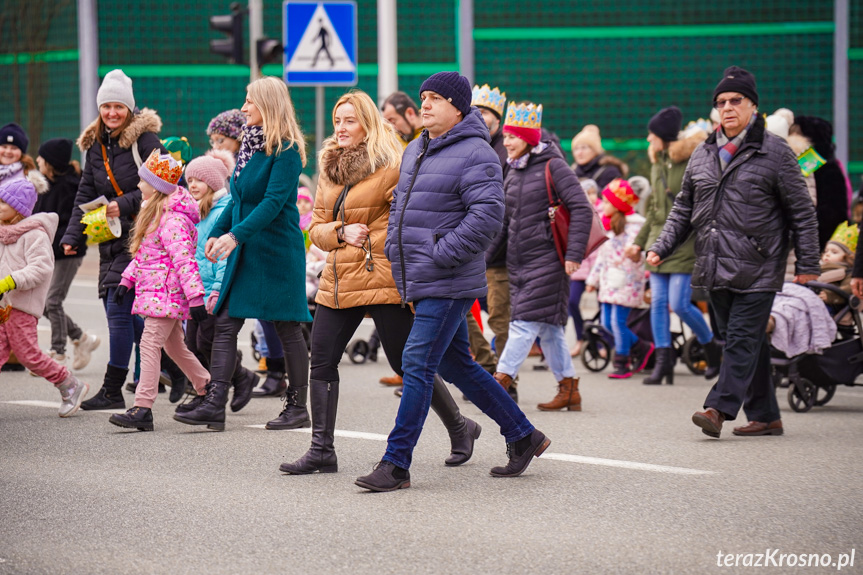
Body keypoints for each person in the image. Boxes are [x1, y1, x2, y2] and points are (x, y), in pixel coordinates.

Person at [355, 72, 550, 492]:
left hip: (447, 279)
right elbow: (402, 209)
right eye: (423, 97)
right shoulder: (415, 150)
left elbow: (487, 218)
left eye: (435, 98)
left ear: (458, 107)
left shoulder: (476, 152)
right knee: (456, 363)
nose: (424, 105)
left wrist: (440, 254)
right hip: (422, 276)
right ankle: (523, 435)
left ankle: (396, 463)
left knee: (416, 363)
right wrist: (393, 246)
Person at [279, 90, 480, 475]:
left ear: (367, 123)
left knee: (406, 363)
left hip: (382, 274)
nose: (341, 128)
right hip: (338, 278)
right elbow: (316, 228)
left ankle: (460, 427)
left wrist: (369, 237)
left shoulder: (393, 164)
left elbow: (407, 219)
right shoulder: (329, 167)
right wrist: (340, 233)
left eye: (350, 120)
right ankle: (322, 450)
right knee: (321, 359)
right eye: (338, 120)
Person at [647, 66, 820, 438]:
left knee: (741, 338)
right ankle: (766, 416)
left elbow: (802, 212)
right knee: (748, 342)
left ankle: (718, 409)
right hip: (713, 263)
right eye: (721, 102)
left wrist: (809, 265)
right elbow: (682, 209)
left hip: (760, 264)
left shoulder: (776, 153)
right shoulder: (704, 153)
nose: (727, 108)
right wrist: (660, 247)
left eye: (735, 101)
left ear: (753, 106)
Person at [174, 76, 312, 432]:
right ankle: (215, 402)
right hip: (246, 247)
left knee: (287, 327)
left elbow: (272, 203)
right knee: (225, 321)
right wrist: (218, 232)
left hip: (277, 252)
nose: (244, 107)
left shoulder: (287, 150)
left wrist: (233, 236)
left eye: (250, 101)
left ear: (267, 105)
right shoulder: (248, 148)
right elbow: (236, 199)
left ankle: (297, 407)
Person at [61, 69, 166, 411]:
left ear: (129, 109)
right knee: (131, 312)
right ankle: (170, 368)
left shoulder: (146, 141)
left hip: (142, 236)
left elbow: (165, 185)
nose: (111, 113)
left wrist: (124, 203)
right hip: (109, 237)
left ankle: (112, 389)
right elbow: (85, 192)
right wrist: (73, 236)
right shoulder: (95, 145)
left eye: (118, 106)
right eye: (106, 106)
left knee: (117, 307)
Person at [490, 100, 593, 411]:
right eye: (505, 136)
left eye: (512, 136)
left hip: (548, 261)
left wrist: (574, 254)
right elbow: (506, 222)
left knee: (522, 323)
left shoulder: (553, 165)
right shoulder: (513, 169)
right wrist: (485, 258)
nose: (505, 142)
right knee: (549, 330)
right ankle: (569, 388)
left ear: (528, 139)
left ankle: (499, 381)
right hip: (518, 263)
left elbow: (582, 209)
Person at [107, 151, 211, 431]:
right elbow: (145, 257)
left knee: (149, 344)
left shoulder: (173, 220)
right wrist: (126, 281)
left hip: (167, 294)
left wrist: (196, 298)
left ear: (158, 186)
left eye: (144, 181)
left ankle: (142, 407)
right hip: (158, 293)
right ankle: (207, 387)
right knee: (173, 346)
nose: (139, 186)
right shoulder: (155, 214)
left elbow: (184, 261)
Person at [626, 107, 719, 385]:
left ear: (664, 137)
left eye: (651, 135)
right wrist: (639, 243)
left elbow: (694, 205)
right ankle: (663, 363)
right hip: (658, 241)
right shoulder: (657, 162)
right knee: (658, 304)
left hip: (684, 240)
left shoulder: (690, 159)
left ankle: (712, 347)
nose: (647, 140)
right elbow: (654, 210)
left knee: (680, 303)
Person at [179, 148, 259, 416]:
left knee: (207, 342)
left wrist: (216, 290)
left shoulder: (223, 210)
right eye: (189, 180)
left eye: (198, 180)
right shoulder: (199, 210)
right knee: (192, 345)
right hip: (196, 291)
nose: (192, 185)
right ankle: (238, 378)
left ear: (213, 182)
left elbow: (223, 256)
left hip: (214, 290)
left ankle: (223, 388)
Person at [0, 177, 90, 417]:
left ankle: (70, 384)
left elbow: (41, 268)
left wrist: (11, 281)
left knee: (28, 356)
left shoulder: (34, 235)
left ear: (18, 208)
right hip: (2, 306)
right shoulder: (3, 233)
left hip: (21, 308)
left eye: (3, 203)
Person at [33, 139, 101, 371]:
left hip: (67, 252)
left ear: (50, 162)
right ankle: (81, 338)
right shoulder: (44, 184)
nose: (37, 161)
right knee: (40, 302)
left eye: (41, 158)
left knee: (53, 300)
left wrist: (62, 241)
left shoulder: (70, 187)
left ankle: (58, 350)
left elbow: (76, 222)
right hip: (47, 251)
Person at [586, 178, 653, 378]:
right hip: (608, 282)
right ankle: (642, 347)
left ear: (618, 205)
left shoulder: (634, 227)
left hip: (626, 281)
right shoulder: (608, 226)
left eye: (607, 202)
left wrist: (634, 254)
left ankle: (621, 362)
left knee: (618, 322)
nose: (602, 205)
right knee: (607, 323)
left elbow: (639, 253)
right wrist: (593, 280)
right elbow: (602, 257)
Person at [792, 116, 853, 252]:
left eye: (796, 134)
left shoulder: (819, 167)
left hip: (815, 248)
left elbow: (832, 215)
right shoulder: (823, 165)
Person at [568, 178, 599, 357]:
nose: (590, 196)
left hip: (600, 270)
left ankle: (602, 340)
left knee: (605, 305)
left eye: (593, 192)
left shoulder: (606, 212)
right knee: (572, 301)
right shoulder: (575, 212)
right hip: (580, 269)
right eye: (586, 192)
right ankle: (581, 337)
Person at [571, 124, 628, 190]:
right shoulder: (572, 172)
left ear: (595, 150)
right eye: (576, 149)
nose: (579, 153)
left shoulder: (610, 171)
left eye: (584, 148)